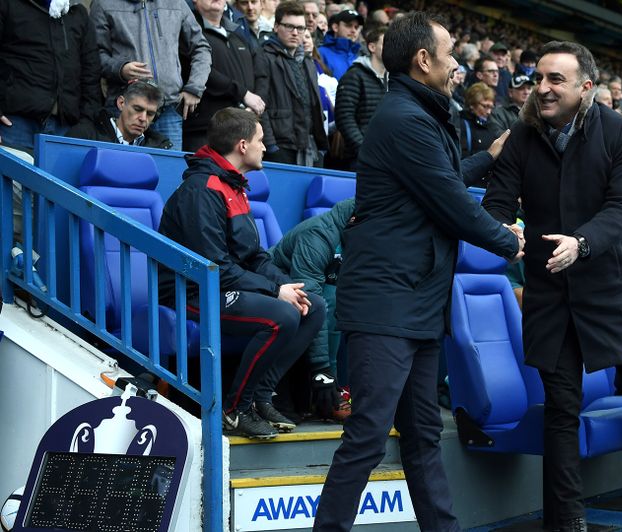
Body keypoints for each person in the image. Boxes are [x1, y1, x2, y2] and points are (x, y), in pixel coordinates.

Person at [482, 40, 622, 532]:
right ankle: (568, 519)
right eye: (538, 78)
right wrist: (506, 230)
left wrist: (582, 243)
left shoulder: (620, 132)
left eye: (555, 80)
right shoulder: (522, 137)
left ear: (585, 87)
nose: (542, 88)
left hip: (612, 288)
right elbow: (498, 204)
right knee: (561, 408)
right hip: (551, 294)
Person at [312, 13, 523, 532]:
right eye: (449, 54)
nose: (457, 65)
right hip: (388, 303)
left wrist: (486, 158)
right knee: (367, 436)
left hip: (418, 302)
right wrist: (508, 242)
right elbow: (448, 201)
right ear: (422, 60)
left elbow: (438, 179)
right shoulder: (404, 118)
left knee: (423, 435)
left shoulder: (418, 114)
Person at [158, 108, 325, 439]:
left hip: (223, 285)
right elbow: (214, 265)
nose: (266, 147)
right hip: (191, 292)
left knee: (313, 307)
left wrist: (284, 284)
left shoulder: (233, 186)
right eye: (261, 141)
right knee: (282, 315)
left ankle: (260, 398)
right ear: (242, 145)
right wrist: (275, 293)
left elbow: (254, 256)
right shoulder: (202, 190)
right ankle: (234, 410)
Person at [270, 198, 356, 423]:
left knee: (339, 300)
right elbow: (312, 299)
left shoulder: (361, 236)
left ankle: (331, 392)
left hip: (314, 297)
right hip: (275, 289)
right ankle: (322, 390)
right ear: (355, 221)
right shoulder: (318, 235)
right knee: (326, 300)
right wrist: (323, 371)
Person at [90, 0, 212, 151]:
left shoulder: (177, 3)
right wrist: (120, 69)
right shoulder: (103, 4)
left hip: (169, 110)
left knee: (167, 171)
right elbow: (93, 56)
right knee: (121, 169)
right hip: (125, 108)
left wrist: (195, 87)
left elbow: (201, 47)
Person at [0, 0, 102, 153]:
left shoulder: (77, 13)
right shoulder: (8, 4)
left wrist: (86, 123)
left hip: (66, 129)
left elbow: (91, 74)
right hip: (15, 124)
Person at [184, 0, 265, 152]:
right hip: (205, 130)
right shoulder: (188, 30)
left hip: (242, 128)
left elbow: (261, 73)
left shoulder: (239, 33)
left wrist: (254, 104)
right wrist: (243, 93)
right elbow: (201, 70)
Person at [256, 1, 328, 166]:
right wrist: (270, 144)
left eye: (301, 28)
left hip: (310, 146)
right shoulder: (264, 56)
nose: (295, 33)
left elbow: (314, 104)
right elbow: (260, 105)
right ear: (275, 27)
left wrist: (321, 144)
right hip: (280, 146)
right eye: (289, 26)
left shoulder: (308, 61)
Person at [334, 26, 387, 168]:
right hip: (360, 158)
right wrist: (363, 149)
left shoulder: (393, 79)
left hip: (387, 158)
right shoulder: (355, 76)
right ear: (372, 47)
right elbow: (344, 117)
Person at [67, 79, 172, 149]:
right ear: (121, 103)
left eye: (150, 113)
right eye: (137, 109)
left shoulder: (160, 146)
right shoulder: (84, 135)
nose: (143, 118)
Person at [454, 82, 498, 164]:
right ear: (472, 104)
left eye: (491, 107)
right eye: (485, 106)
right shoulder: (461, 124)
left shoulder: (491, 125)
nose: (488, 112)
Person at [317, 8, 363, 79]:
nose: (353, 30)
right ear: (335, 27)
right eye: (348, 25)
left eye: (356, 27)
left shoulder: (360, 56)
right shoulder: (321, 52)